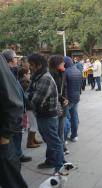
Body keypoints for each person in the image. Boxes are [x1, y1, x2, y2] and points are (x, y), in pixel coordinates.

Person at [27, 53, 64, 173]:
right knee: (51, 141)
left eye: (31, 65)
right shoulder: (38, 76)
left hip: (47, 117)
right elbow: (29, 93)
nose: (29, 67)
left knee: (54, 143)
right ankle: (53, 162)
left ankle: (59, 169)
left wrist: (29, 97)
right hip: (43, 115)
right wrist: (30, 96)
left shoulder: (44, 78)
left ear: (38, 65)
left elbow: (35, 102)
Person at [0, 54, 28, 188]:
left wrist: (6, 134)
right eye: (15, 58)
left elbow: (14, 102)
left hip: (4, 134)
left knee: (11, 178)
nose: (17, 61)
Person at [2, 49, 32, 163]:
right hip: (11, 114)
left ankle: (18, 154)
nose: (17, 60)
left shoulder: (13, 71)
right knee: (13, 136)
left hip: (19, 110)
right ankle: (14, 156)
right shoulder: (5, 73)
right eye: (15, 58)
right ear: (10, 60)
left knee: (18, 134)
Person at [49, 55, 70, 155]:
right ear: (57, 64)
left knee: (61, 129)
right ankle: (57, 150)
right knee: (55, 130)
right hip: (54, 105)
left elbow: (65, 87)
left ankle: (62, 147)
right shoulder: (50, 75)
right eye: (62, 62)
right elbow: (53, 91)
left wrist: (66, 99)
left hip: (63, 104)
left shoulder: (63, 73)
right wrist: (62, 99)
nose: (64, 63)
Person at [64, 56, 82, 142]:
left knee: (66, 118)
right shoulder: (78, 71)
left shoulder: (66, 72)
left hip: (68, 99)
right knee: (74, 116)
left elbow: (64, 87)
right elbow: (81, 85)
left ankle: (65, 137)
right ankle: (74, 135)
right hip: (76, 97)